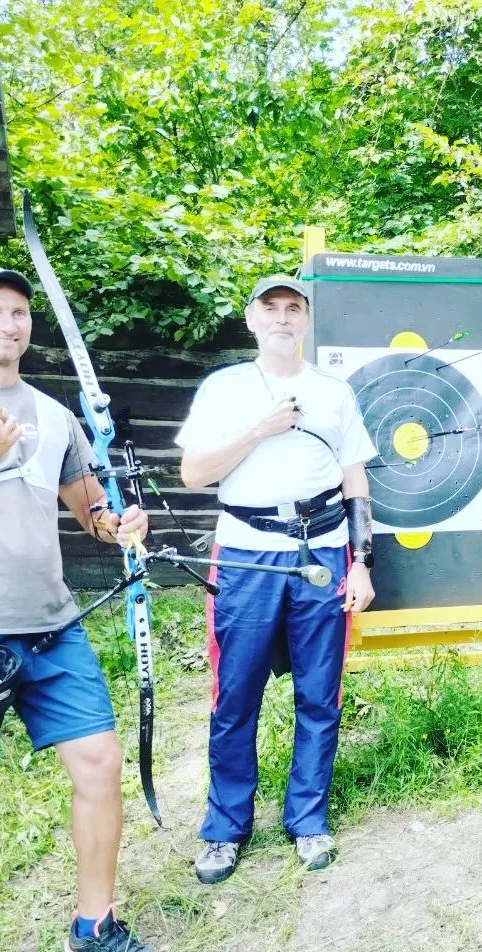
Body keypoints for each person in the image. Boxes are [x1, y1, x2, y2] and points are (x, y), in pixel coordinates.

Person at [0, 266, 161, 952]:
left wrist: (119, 524)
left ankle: (94, 928)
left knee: (98, 762)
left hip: (50, 624)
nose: (8, 324)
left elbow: (91, 508)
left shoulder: (54, 416)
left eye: (18, 312)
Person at [177, 274, 377, 884]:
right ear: (252, 319)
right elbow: (194, 473)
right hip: (246, 555)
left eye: (294, 308)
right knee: (235, 694)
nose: (283, 318)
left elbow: (355, 479)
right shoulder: (224, 388)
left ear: (306, 321)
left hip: (323, 553)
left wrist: (362, 561)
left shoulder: (334, 392)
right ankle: (224, 828)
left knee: (319, 694)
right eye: (271, 308)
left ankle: (308, 819)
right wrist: (258, 430)